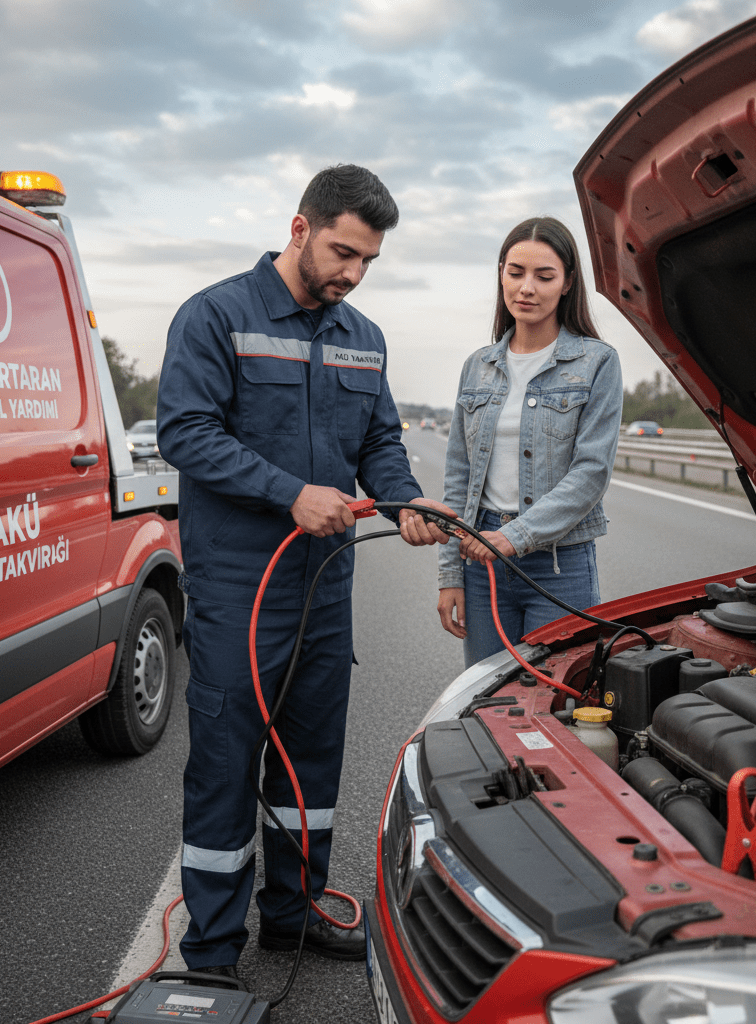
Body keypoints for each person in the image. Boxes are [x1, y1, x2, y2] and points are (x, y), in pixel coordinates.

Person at [157, 164, 453, 979]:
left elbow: (380, 444)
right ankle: (212, 951)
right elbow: (185, 431)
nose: (353, 274)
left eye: (368, 261)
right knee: (225, 764)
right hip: (239, 587)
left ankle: (291, 919)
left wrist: (403, 502)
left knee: (309, 764)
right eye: (342, 252)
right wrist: (287, 493)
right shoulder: (216, 315)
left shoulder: (363, 336)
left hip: (324, 590)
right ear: (299, 228)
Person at [437, 216, 623, 667]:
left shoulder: (597, 363)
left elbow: (591, 473)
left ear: (567, 283)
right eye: (516, 272)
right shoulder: (476, 366)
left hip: (559, 564)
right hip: (481, 558)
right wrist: (449, 573)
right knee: (485, 700)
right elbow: (459, 477)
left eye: (544, 276)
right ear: (501, 273)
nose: (527, 288)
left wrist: (514, 537)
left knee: (553, 701)